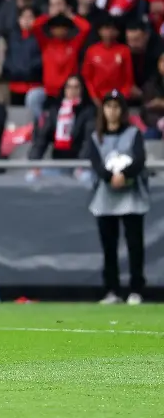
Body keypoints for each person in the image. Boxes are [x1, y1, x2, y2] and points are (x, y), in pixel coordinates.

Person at [87, 90, 148, 305]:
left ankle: (136, 289)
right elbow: (95, 162)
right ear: (103, 110)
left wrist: (125, 175)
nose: (112, 111)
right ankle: (112, 290)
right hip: (106, 197)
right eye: (108, 107)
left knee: (134, 244)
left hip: (131, 195)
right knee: (109, 246)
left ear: (122, 110)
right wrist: (109, 177)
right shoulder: (96, 137)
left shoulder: (133, 133)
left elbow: (139, 159)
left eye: (116, 107)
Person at [81, 15, 134, 102]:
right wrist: (95, 98)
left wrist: (120, 99)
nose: (109, 32)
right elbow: (87, 77)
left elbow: (128, 79)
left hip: (118, 98)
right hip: (96, 98)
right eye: (106, 28)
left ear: (118, 32)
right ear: (99, 30)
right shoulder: (91, 50)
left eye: (113, 29)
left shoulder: (124, 50)